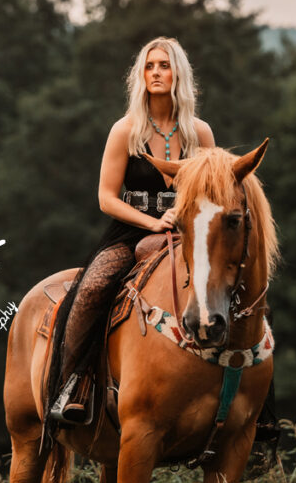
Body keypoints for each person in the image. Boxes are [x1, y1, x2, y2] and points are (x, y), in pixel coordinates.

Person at [47, 37, 214, 424]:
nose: (156, 72)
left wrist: (182, 217)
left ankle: (254, 411)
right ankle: (73, 385)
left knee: (240, 286)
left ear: (179, 74)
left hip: (188, 235)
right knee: (90, 289)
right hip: (131, 232)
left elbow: (211, 193)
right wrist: (152, 221)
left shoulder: (200, 133)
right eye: (150, 66)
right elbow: (106, 197)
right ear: (141, 75)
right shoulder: (126, 130)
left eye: (164, 65)